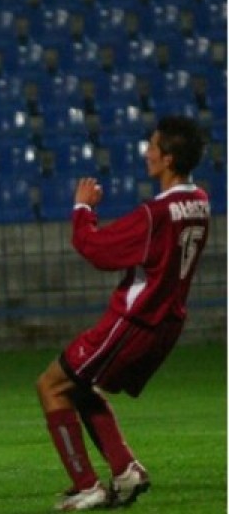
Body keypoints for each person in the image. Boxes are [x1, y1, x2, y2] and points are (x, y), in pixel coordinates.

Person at [36, 116, 210, 511]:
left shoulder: (157, 213)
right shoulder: (200, 201)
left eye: (152, 146)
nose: (146, 153)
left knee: (51, 386)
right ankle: (126, 470)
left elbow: (96, 248)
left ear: (167, 158)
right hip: (167, 322)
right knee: (79, 385)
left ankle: (87, 486)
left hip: (135, 319)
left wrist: (83, 207)